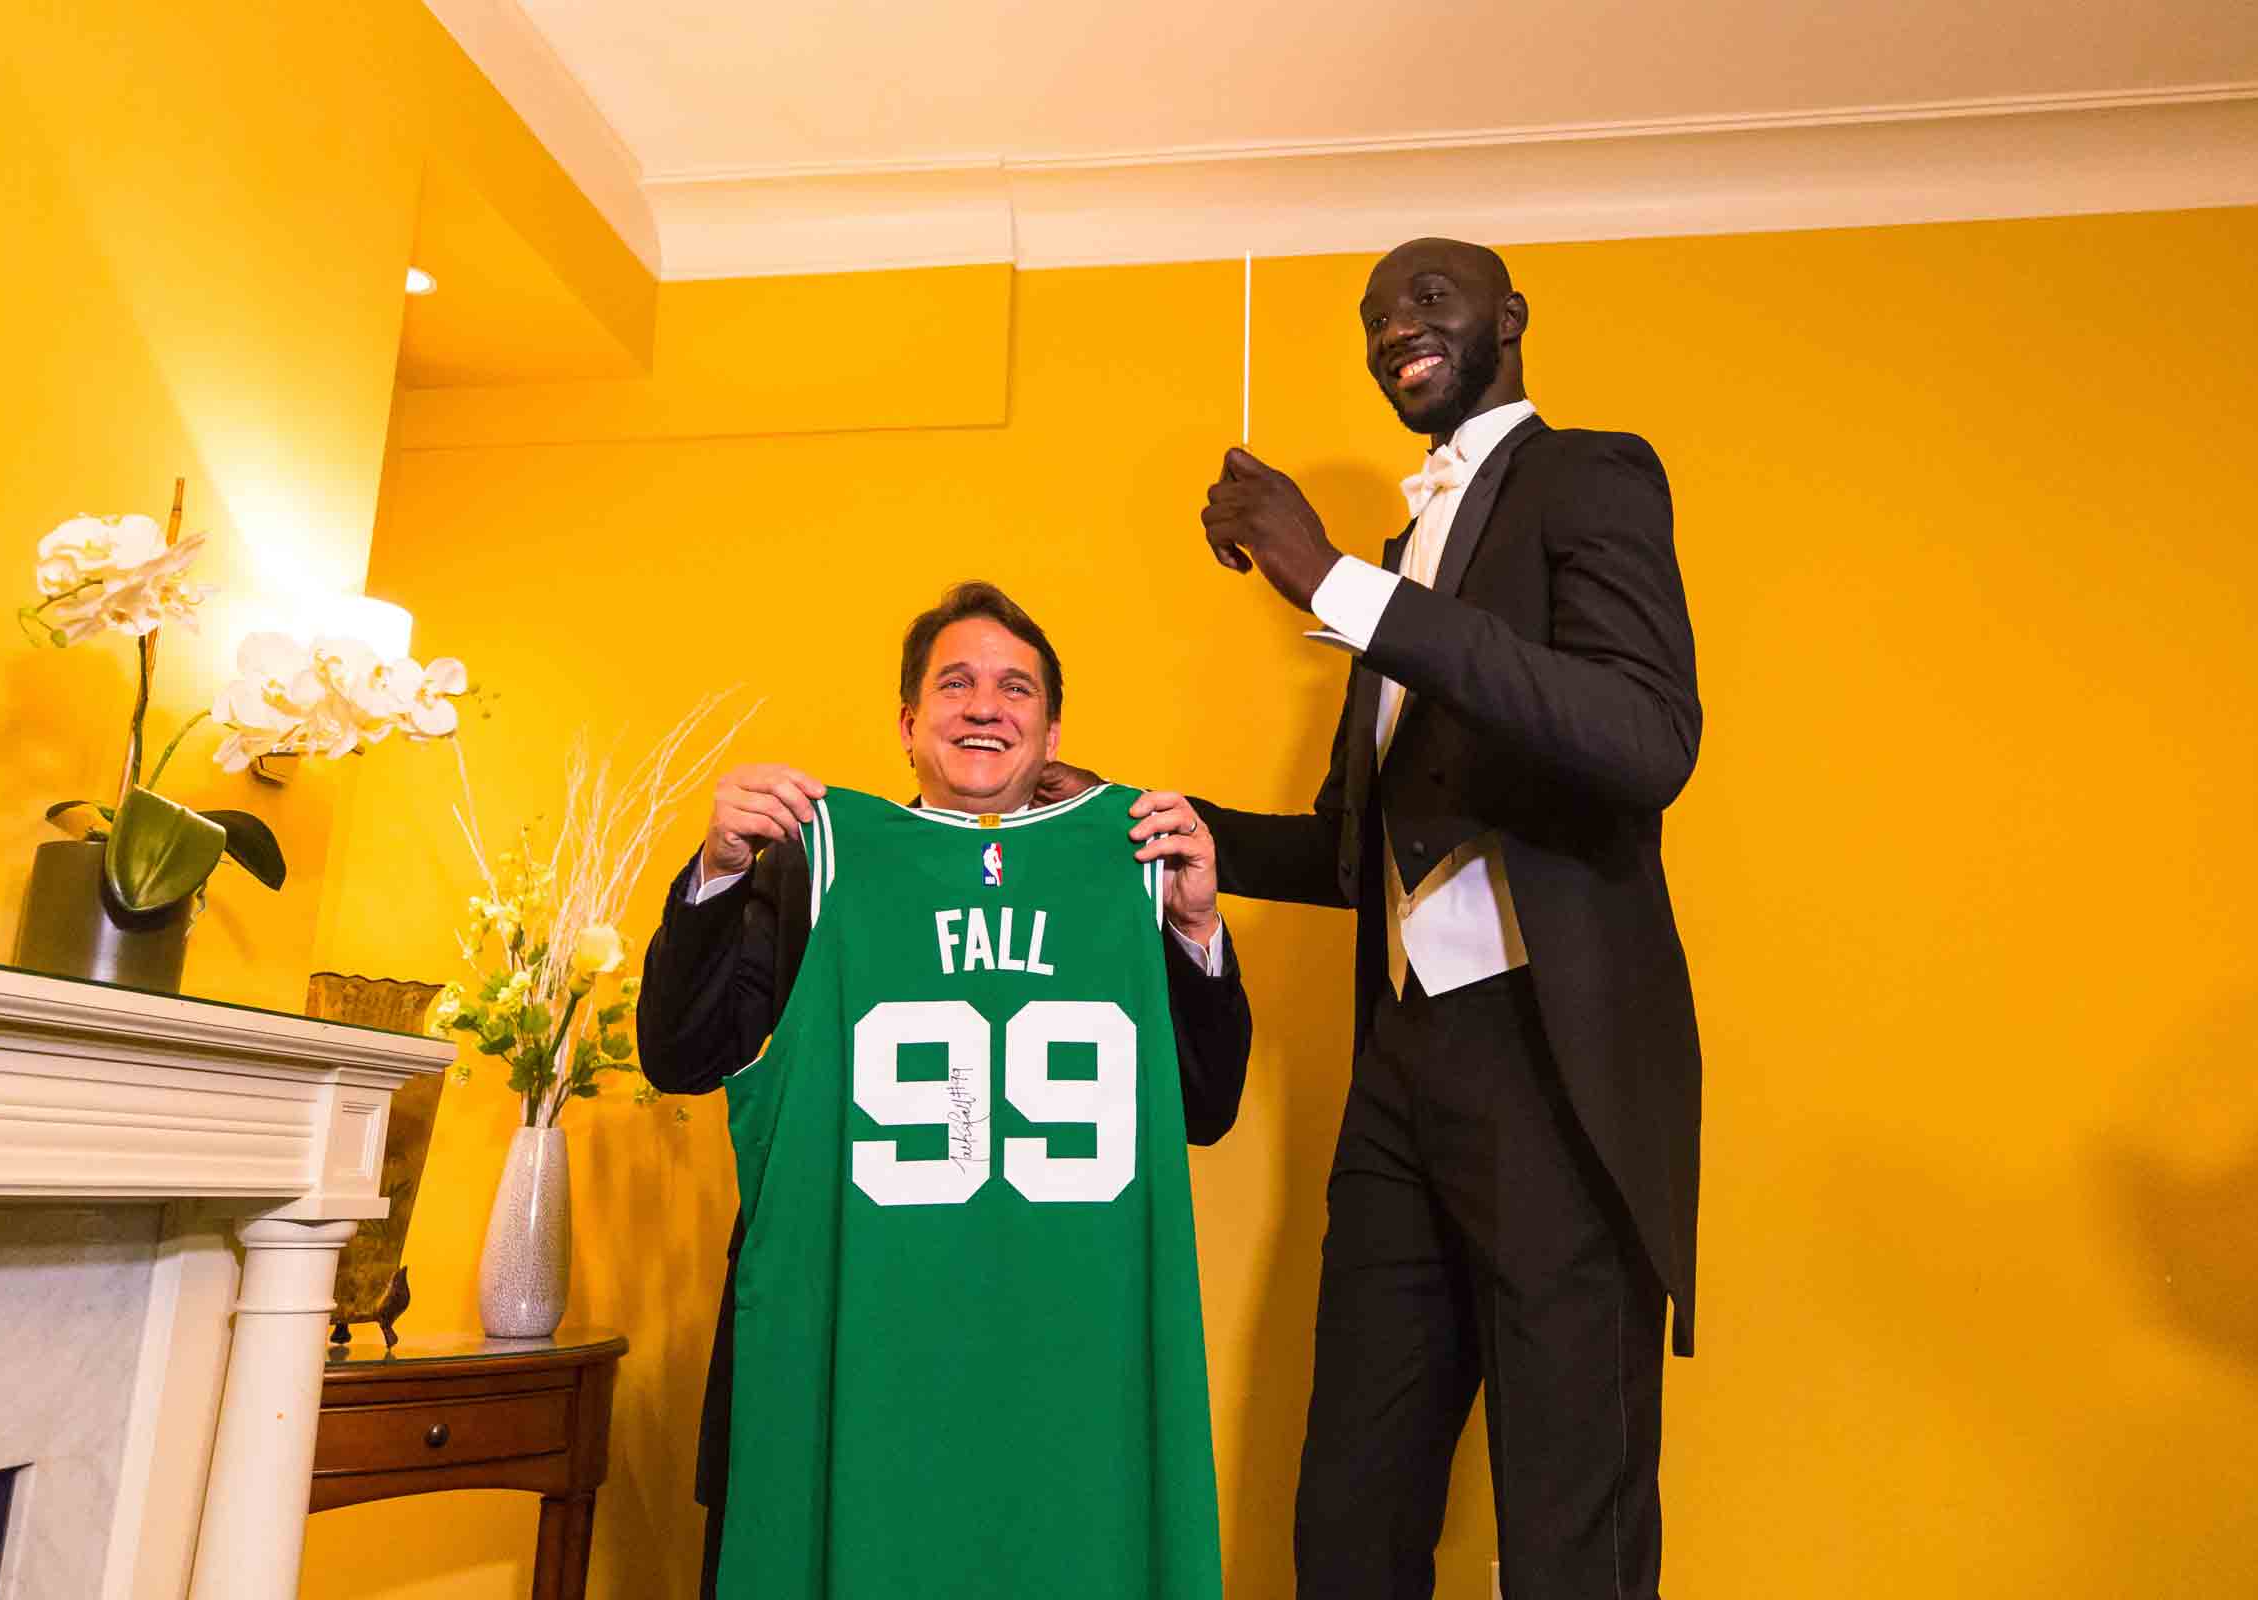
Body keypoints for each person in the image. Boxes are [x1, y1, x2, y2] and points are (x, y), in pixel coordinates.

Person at [1064, 237, 1703, 1598]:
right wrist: (1138, 812)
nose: (1392, 328)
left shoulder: (1590, 475)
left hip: (1556, 1068)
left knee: (1565, 1538)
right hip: (1402, 1076)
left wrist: (1336, 583)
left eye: (1425, 297)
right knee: (1349, 1517)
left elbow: (1646, 740)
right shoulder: (1408, 556)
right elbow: (1359, 858)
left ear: (1510, 318)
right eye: (1372, 317)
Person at [638, 580, 1252, 1598]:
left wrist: (1192, 926)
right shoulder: (805, 863)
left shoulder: (1135, 867)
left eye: (1015, 689)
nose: (984, 705)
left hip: (1064, 1377)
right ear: (908, 722)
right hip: (854, 1352)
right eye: (955, 682)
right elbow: (679, 1053)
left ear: (1051, 732)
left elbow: (1205, 1106)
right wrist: (716, 865)